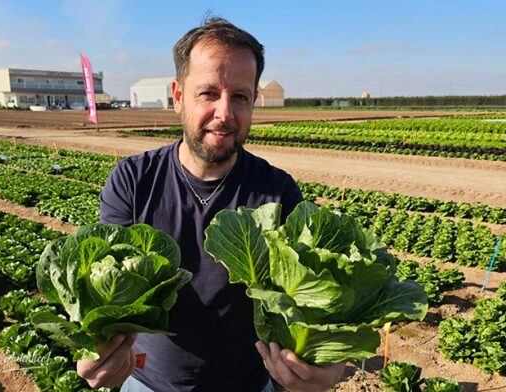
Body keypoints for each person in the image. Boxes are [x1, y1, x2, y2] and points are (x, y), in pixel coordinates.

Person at [78, 17, 345, 392]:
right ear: (177, 96)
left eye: (240, 96)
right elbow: (108, 289)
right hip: (147, 383)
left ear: (254, 102)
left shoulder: (278, 191)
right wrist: (94, 349)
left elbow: (310, 300)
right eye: (208, 93)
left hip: (249, 384)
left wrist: (330, 366)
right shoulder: (133, 182)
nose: (224, 113)